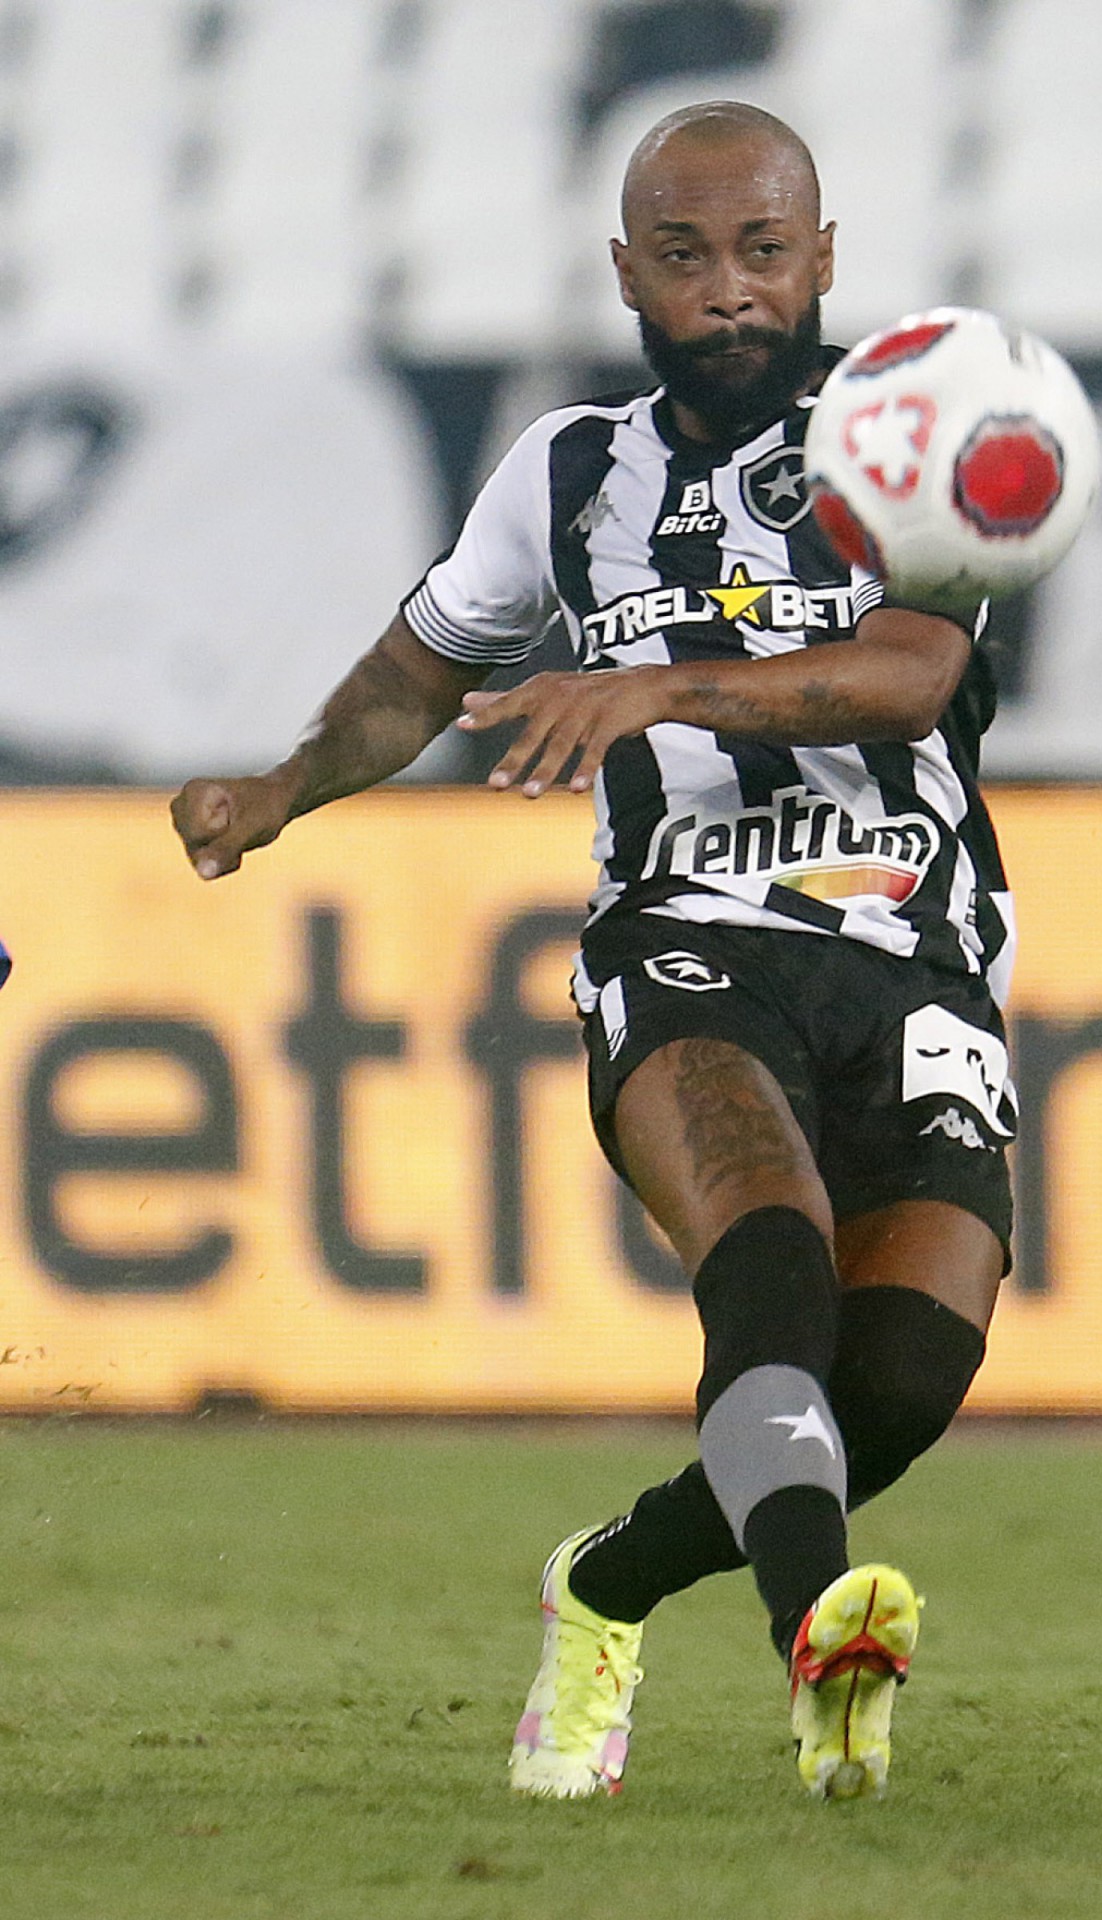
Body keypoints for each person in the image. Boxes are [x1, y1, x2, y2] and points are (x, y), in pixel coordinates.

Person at [171, 101, 1017, 1805]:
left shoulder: (916, 440)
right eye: (687, 257)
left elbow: (914, 670)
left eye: (764, 254)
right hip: (684, 945)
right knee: (767, 1268)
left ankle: (604, 1586)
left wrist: (655, 683)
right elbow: (420, 675)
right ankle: (824, 1641)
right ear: (627, 268)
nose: (728, 294)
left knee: (905, 1383)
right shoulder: (564, 471)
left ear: (825, 258)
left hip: (915, 959)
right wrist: (283, 783)